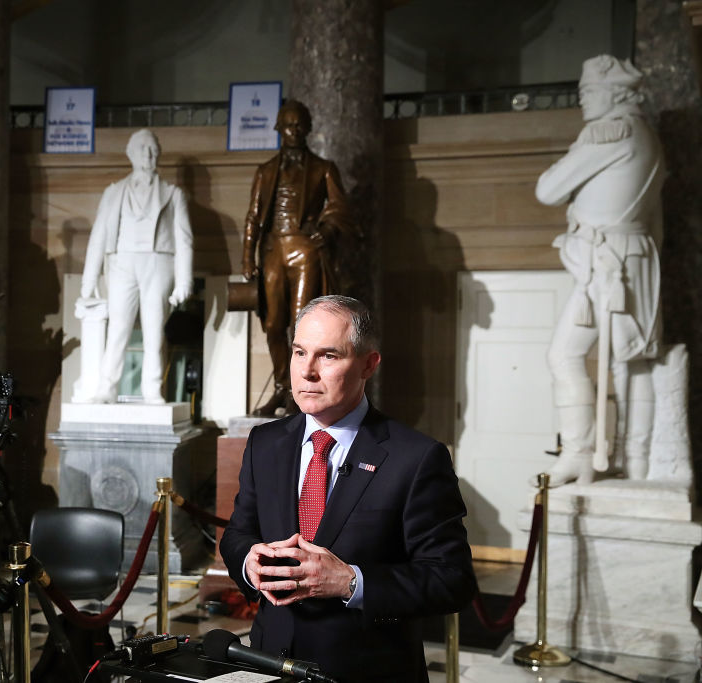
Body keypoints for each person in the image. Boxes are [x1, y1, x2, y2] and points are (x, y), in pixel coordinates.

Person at [220, 295, 475, 683]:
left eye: (328, 356)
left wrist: (350, 582)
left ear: (368, 365)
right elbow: (239, 533)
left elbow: (452, 581)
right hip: (270, 663)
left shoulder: (417, 458)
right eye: (299, 352)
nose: (307, 372)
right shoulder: (264, 442)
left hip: (365, 670)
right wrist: (248, 563)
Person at [536, 55, 664, 486]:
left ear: (617, 94)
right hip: (636, 258)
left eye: (590, 91)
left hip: (608, 265)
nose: (582, 99)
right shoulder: (648, 136)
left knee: (565, 354)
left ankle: (580, 453)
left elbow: (548, 189)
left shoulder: (609, 132)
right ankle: (637, 463)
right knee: (635, 362)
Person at [241, 100, 352, 416]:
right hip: (274, 250)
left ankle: (298, 392)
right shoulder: (265, 171)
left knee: (301, 324)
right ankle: (281, 388)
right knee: (274, 324)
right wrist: (247, 258)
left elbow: (340, 208)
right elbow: (253, 217)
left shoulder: (323, 168)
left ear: (308, 129)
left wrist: (327, 231)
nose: (295, 131)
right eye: (289, 125)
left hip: (304, 250)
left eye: (300, 125)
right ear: (279, 129)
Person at [78, 128, 193, 403]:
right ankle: (107, 386)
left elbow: (184, 240)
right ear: (131, 153)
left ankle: (152, 388)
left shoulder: (173, 194)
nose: (149, 154)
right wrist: (89, 279)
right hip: (122, 262)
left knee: (154, 329)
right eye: (143, 149)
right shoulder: (114, 192)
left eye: (153, 149)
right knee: (119, 326)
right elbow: (98, 236)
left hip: (158, 261)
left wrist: (184, 281)